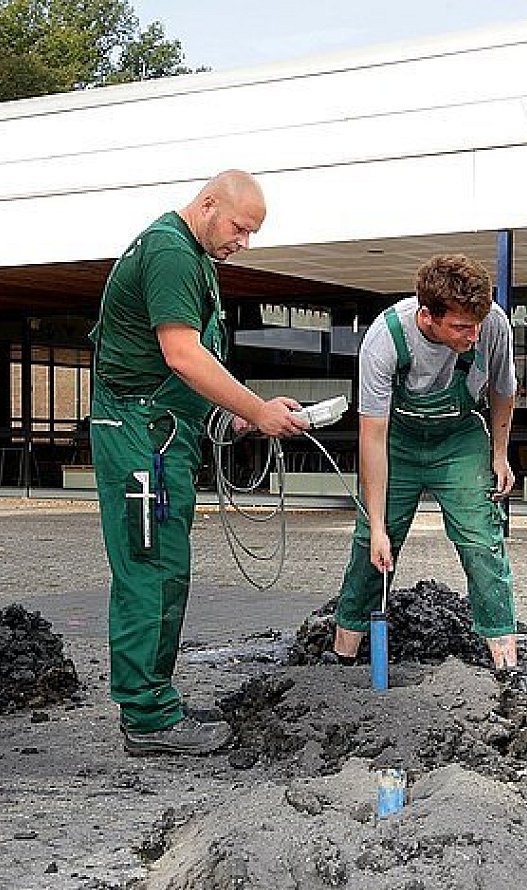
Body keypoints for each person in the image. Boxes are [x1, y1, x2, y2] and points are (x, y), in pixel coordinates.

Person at [90, 170, 304, 757]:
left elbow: (189, 368)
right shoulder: (169, 252)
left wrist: (229, 416)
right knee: (147, 569)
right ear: (209, 204)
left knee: (169, 568)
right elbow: (182, 355)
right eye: (240, 226)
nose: (245, 242)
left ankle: (156, 695)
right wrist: (257, 410)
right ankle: (147, 718)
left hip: (162, 432)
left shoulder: (196, 257)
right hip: (136, 433)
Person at [334, 253, 520, 681]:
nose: (473, 335)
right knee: (371, 547)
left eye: (478, 323)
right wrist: (378, 525)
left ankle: (507, 664)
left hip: (459, 438)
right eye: (460, 327)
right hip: (396, 440)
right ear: (427, 316)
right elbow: (373, 437)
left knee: (481, 542)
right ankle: (341, 658)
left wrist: (499, 453)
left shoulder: (492, 325)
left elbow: (503, 390)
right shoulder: (385, 339)